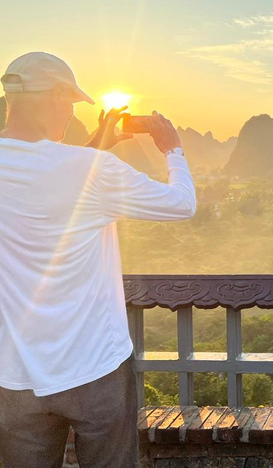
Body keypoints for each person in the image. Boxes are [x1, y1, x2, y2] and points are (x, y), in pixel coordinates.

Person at [0, 52, 196, 468]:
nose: (71, 114)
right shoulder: (94, 170)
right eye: (70, 102)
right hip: (96, 369)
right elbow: (181, 204)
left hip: (14, 376)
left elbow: (51, 180)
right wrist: (172, 149)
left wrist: (95, 147)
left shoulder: (84, 165)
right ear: (55, 95)